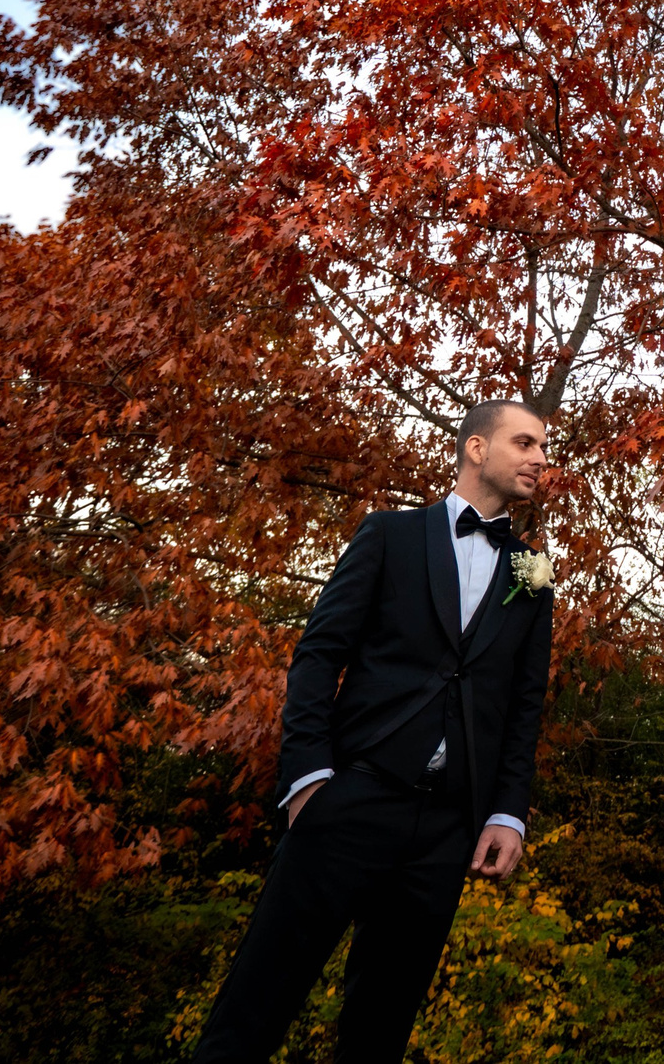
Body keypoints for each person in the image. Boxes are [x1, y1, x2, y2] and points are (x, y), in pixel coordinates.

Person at [192, 400, 558, 1063]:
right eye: (526, 442)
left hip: (448, 827)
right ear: (477, 449)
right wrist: (308, 779)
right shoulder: (390, 535)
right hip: (351, 798)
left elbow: (523, 708)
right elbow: (317, 655)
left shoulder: (530, 578)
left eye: (543, 447)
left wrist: (507, 812)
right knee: (255, 1008)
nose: (540, 458)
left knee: (378, 1030)